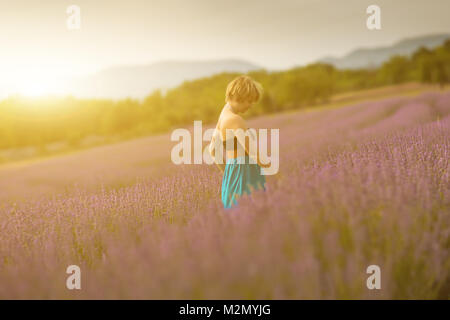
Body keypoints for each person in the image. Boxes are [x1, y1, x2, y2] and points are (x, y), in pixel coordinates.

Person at [208, 75, 271, 209]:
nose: (250, 106)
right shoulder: (236, 120)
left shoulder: (223, 116)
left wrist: (229, 172)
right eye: (249, 101)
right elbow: (254, 154)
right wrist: (279, 176)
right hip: (246, 174)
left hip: (233, 174)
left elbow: (212, 151)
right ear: (239, 97)